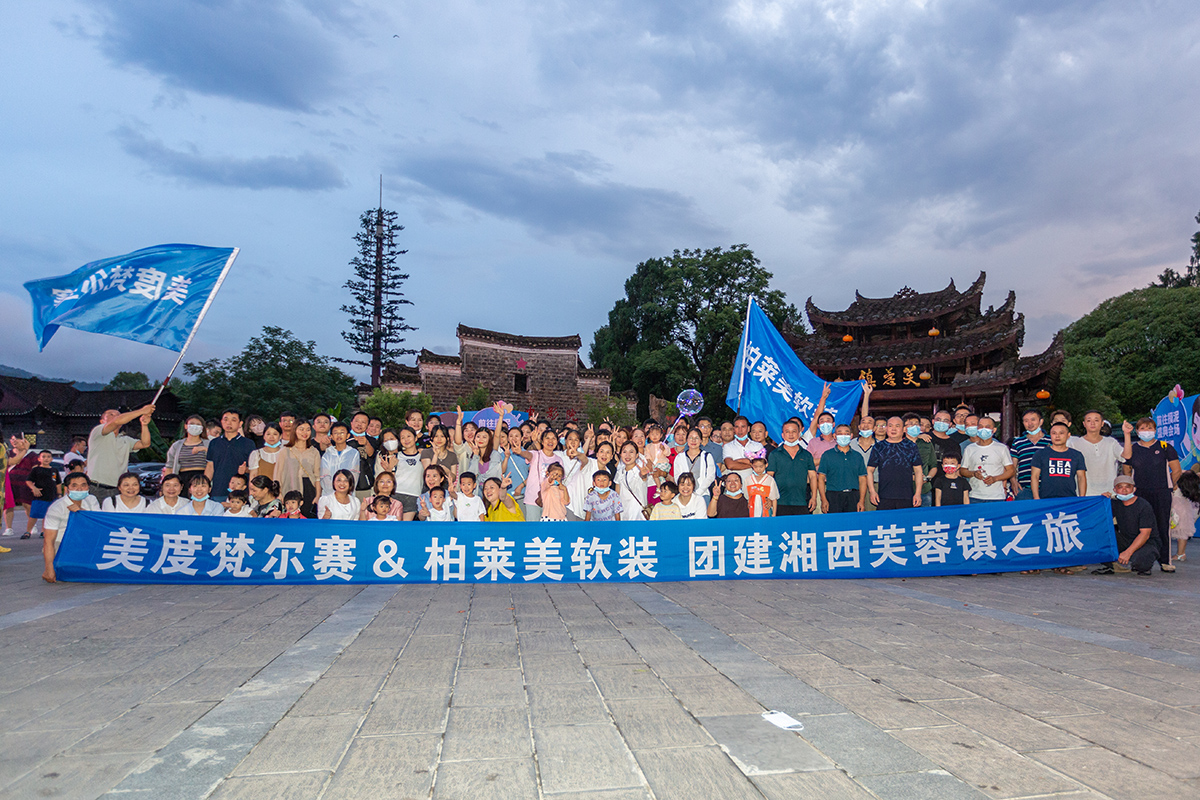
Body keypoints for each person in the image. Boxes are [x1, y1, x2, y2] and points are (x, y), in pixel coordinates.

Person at [1122, 418, 1181, 573]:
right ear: (1137, 431)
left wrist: (1171, 487)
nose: (1146, 430)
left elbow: (1176, 470)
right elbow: (1126, 470)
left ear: (1155, 429)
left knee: (1162, 526)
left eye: (1149, 427)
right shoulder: (1133, 449)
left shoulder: (1165, 447)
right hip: (1139, 493)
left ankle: (1165, 561)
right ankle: (1140, 559)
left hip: (1161, 492)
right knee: (1140, 527)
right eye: (1142, 428)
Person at [1092, 475, 1159, 576]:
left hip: (1146, 542)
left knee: (1141, 562)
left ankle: (1134, 562)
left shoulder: (1144, 506)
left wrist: (1128, 552)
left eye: (1127, 486)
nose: (1124, 490)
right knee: (1100, 533)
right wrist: (1102, 500)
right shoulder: (1115, 503)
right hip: (1125, 539)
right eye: (1120, 487)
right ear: (1115, 490)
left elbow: (1145, 534)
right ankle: (1111, 565)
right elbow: (1097, 518)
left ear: (1134, 489)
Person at [87, 404, 155, 502]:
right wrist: (142, 411)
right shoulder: (98, 431)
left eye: (118, 414)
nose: (115, 416)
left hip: (118, 489)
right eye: (111, 414)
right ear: (102, 421)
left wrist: (144, 425)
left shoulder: (125, 439)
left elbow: (145, 443)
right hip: (97, 488)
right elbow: (117, 421)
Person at [41, 472, 100, 583]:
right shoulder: (57, 508)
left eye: (83, 485)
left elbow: (98, 523)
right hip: (63, 544)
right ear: (67, 488)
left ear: (88, 487)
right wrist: (49, 568)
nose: (79, 489)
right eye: (74, 485)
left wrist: (81, 512)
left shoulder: (91, 500)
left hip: (87, 543)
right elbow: (49, 541)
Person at [867, 417, 923, 510]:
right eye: (890, 426)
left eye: (897, 426)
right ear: (886, 428)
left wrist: (917, 493)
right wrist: (872, 492)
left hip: (907, 496)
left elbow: (918, 471)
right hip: (884, 496)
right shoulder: (879, 446)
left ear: (904, 429)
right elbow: (869, 470)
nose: (893, 429)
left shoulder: (911, 446)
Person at [1068, 410, 1125, 498]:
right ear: (1084, 424)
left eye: (1096, 420)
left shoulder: (1111, 442)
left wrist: (1127, 434)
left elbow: (1126, 456)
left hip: (1110, 494)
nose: (1092, 423)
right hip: (1085, 495)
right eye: (1089, 420)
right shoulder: (1074, 444)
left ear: (1102, 423)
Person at [767, 420, 818, 515]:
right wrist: (769, 498)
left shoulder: (806, 455)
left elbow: (813, 477)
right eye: (787, 431)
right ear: (783, 435)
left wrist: (814, 497)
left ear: (799, 434)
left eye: (794, 431)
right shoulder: (775, 454)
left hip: (802, 501)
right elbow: (769, 476)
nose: (791, 434)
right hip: (780, 501)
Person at [206, 409, 256, 502]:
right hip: (218, 491)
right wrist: (205, 486)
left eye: (233, 420)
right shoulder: (214, 443)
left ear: (240, 423)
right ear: (221, 422)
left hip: (240, 493)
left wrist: (246, 470)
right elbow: (210, 467)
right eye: (226, 419)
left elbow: (254, 469)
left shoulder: (248, 444)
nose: (229, 423)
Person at [959, 418, 1014, 503]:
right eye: (980, 426)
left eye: (987, 427)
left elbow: (1011, 470)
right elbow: (963, 470)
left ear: (994, 430)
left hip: (996, 496)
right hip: (974, 495)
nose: (983, 429)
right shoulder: (969, 449)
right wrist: (974, 473)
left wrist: (995, 478)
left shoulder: (1002, 448)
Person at [818, 426, 867, 513]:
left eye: (846, 433)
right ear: (834, 436)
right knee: (834, 524)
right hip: (833, 496)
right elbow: (821, 478)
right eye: (840, 433)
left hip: (853, 496)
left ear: (851, 436)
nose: (843, 436)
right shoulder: (827, 455)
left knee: (852, 524)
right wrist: (824, 499)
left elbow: (862, 479)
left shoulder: (857, 456)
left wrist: (862, 501)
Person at [277, 419, 321, 517]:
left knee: (308, 521)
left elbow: (317, 476)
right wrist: (279, 493)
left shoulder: (314, 452)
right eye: (301, 429)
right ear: (295, 430)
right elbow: (278, 474)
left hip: (309, 489)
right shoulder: (285, 451)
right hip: (290, 488)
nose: (305, 432)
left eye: (308, 429)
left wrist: (317, 496)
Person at [1031, 422, 1087, 499]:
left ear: (1068, 435)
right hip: (1045, 498)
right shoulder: (1040, 454)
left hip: (1069, 498)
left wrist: (1082, 498)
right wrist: (1036, 498)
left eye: (1061, 433)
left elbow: (1081, 478)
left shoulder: (1076, 455)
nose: (1057, 436)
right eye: (1054, 433)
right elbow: (1035, 477)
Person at [520, 430, 564, 522]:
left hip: (551, 502)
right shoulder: (535, 454)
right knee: (533, 530)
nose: (550, 441)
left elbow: (560, 481)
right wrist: (520, 452)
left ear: (557, 442)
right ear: (542, 441)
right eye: (547, 438)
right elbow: (527, 455)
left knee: (548, 531)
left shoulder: (558, 459)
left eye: (553, 438)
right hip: (533, 499)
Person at [1008, 409, 1048, 500]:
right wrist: (1013, 481)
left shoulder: (1051, 441)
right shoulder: (1018, 442)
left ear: (1041, 421)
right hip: (1024, 488)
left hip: (1048, 488)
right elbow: (1012, 465)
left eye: (1033, 420)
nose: (1029, 423)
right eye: (1026, 421)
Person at [165, 415, 209, 498]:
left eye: (198, 424)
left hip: (202, 479)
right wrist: (167, 484)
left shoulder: (208, 444)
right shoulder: (176, 445)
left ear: (202, 428)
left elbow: (215, 459)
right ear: (186, 426)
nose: (194, 426)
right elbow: (169, 466)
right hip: (183, 478)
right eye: (192, 424)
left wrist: (203, 449)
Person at [673, 429, 717, 502]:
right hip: (684, 495)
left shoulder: (707, 456)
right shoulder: (679, 457)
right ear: (687, 440)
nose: (693, 440)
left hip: (703, 494)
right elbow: (677, 476)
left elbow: (711, 476)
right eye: (690, 438)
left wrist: (698, 492)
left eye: (696, 438)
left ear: (701, 440)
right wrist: (686, 490)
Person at [26, 450, 61, 537]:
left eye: (48, 457)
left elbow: (58, 483)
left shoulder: (54, 470)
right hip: (39, 496)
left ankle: (43, 531)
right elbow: (28, 481)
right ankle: (27, 531)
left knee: (48, 515)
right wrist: (33, 488)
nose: (46, 459)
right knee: (34, 515)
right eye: (44, 456)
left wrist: (59, 494)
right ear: (39, 459)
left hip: (51, 496)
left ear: (52, 459)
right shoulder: (36, 470)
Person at [320, 422, 361, 497]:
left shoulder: (354, 453)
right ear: (331, 436)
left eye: (342, 433)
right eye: (335, 433)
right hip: (329, 496)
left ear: (348, 435)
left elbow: (354, 475)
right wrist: (335, 493)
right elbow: (325, 477)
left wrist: (344, 491)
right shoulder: (327, 455)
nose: (339, 435)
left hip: (347, 495)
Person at [392, 427, 424, 521]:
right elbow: (391, 476)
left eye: (409, 436)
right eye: (402, 437)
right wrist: (389, 468)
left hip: (414, 495)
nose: (406, 440)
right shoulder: (397, 456)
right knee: (395, 524)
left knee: (406, 525)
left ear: (415, 438)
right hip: (396, 494)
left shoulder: (423, 456)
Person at [347, 411, 378, 499]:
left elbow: (371, 454)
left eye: (363, 422)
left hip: (364, 484)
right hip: (345, 484)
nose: (359, 424)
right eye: (357, 421)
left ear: (367, 426)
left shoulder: (371, 440)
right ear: (351, 422)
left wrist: (366, 443)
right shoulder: (343, 438)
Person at [616, 441, 650, 521]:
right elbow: (617, 495)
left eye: (631, 452)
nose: (627, 455)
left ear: (637, 455)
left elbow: (644, 478)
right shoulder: (619, 472)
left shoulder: (640, 471)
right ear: (620, 454)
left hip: (638, 515)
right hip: (623, 514)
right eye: (624, 452)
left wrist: (643, 475)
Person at [1171, 470, 1199, 562]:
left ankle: (1179, 554)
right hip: (1185, 509)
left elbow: (1174, 473)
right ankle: (1181, 553)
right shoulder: (1188, 488)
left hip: (1174, 509)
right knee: (1183, 533)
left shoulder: (1175, 485)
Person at [852, 415, 878, 511]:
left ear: (875, 428)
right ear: (859, 427)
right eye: (863, 422)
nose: (866, 425)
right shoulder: (850, 445)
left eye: (869, 422)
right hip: (855, 486)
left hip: (875, 485)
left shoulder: (881, 446)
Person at [722, 416, 757, 488]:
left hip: (754, 487)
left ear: (748, 429)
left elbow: (760, 466)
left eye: (743, 427)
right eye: (737, 427)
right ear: (734, 429)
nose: (740, 430)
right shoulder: (728, 446)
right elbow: (730, 465)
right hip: (734, 488)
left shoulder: (757, 446)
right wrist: (751, 464)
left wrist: (737, 461)